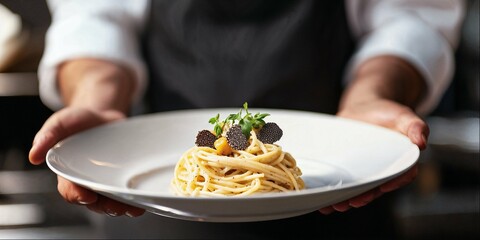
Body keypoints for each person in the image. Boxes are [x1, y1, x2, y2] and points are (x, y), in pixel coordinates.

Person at [29, 0, 464, 238]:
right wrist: (97, 98)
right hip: (155, 216)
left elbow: (411, 15)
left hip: (334, 212)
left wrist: (374, 95)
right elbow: (94, 16)